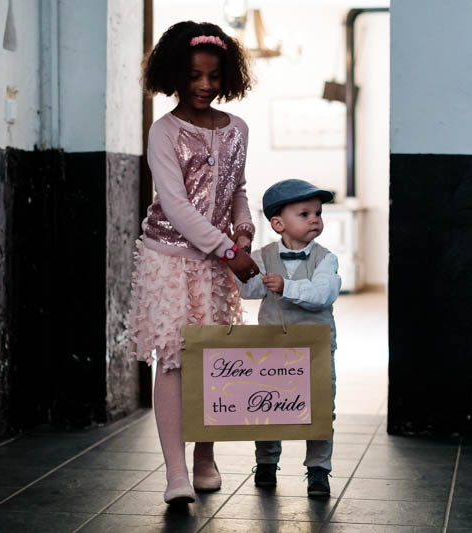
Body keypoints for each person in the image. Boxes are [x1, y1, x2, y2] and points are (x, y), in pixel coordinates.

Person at [126, 21, 260, 504]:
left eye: (214, 76)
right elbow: (177, 207)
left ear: (228, 77)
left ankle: (206, 458)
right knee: (173, 362)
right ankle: (176, 472)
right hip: (169, 262)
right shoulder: (163, 132)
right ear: (174, 75)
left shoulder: (237, 129)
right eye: (194, 75)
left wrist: (243, 231)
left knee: (213, 360)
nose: (204, 85)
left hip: (216, 265)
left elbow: (238, 190)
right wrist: (229, 251)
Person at [239, 179, 340, 498]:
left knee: (320, 406)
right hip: (274, 347)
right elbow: (248, 291)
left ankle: (318, 469)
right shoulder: (263, 256)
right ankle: (266, 462)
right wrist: (238, 264)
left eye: (318, 213)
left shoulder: (326, 258)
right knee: (267, 404)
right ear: (278, 224)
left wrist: (287, 287)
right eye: (305, 214)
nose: (315, 220)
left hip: (315, 349)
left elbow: (323, 294)